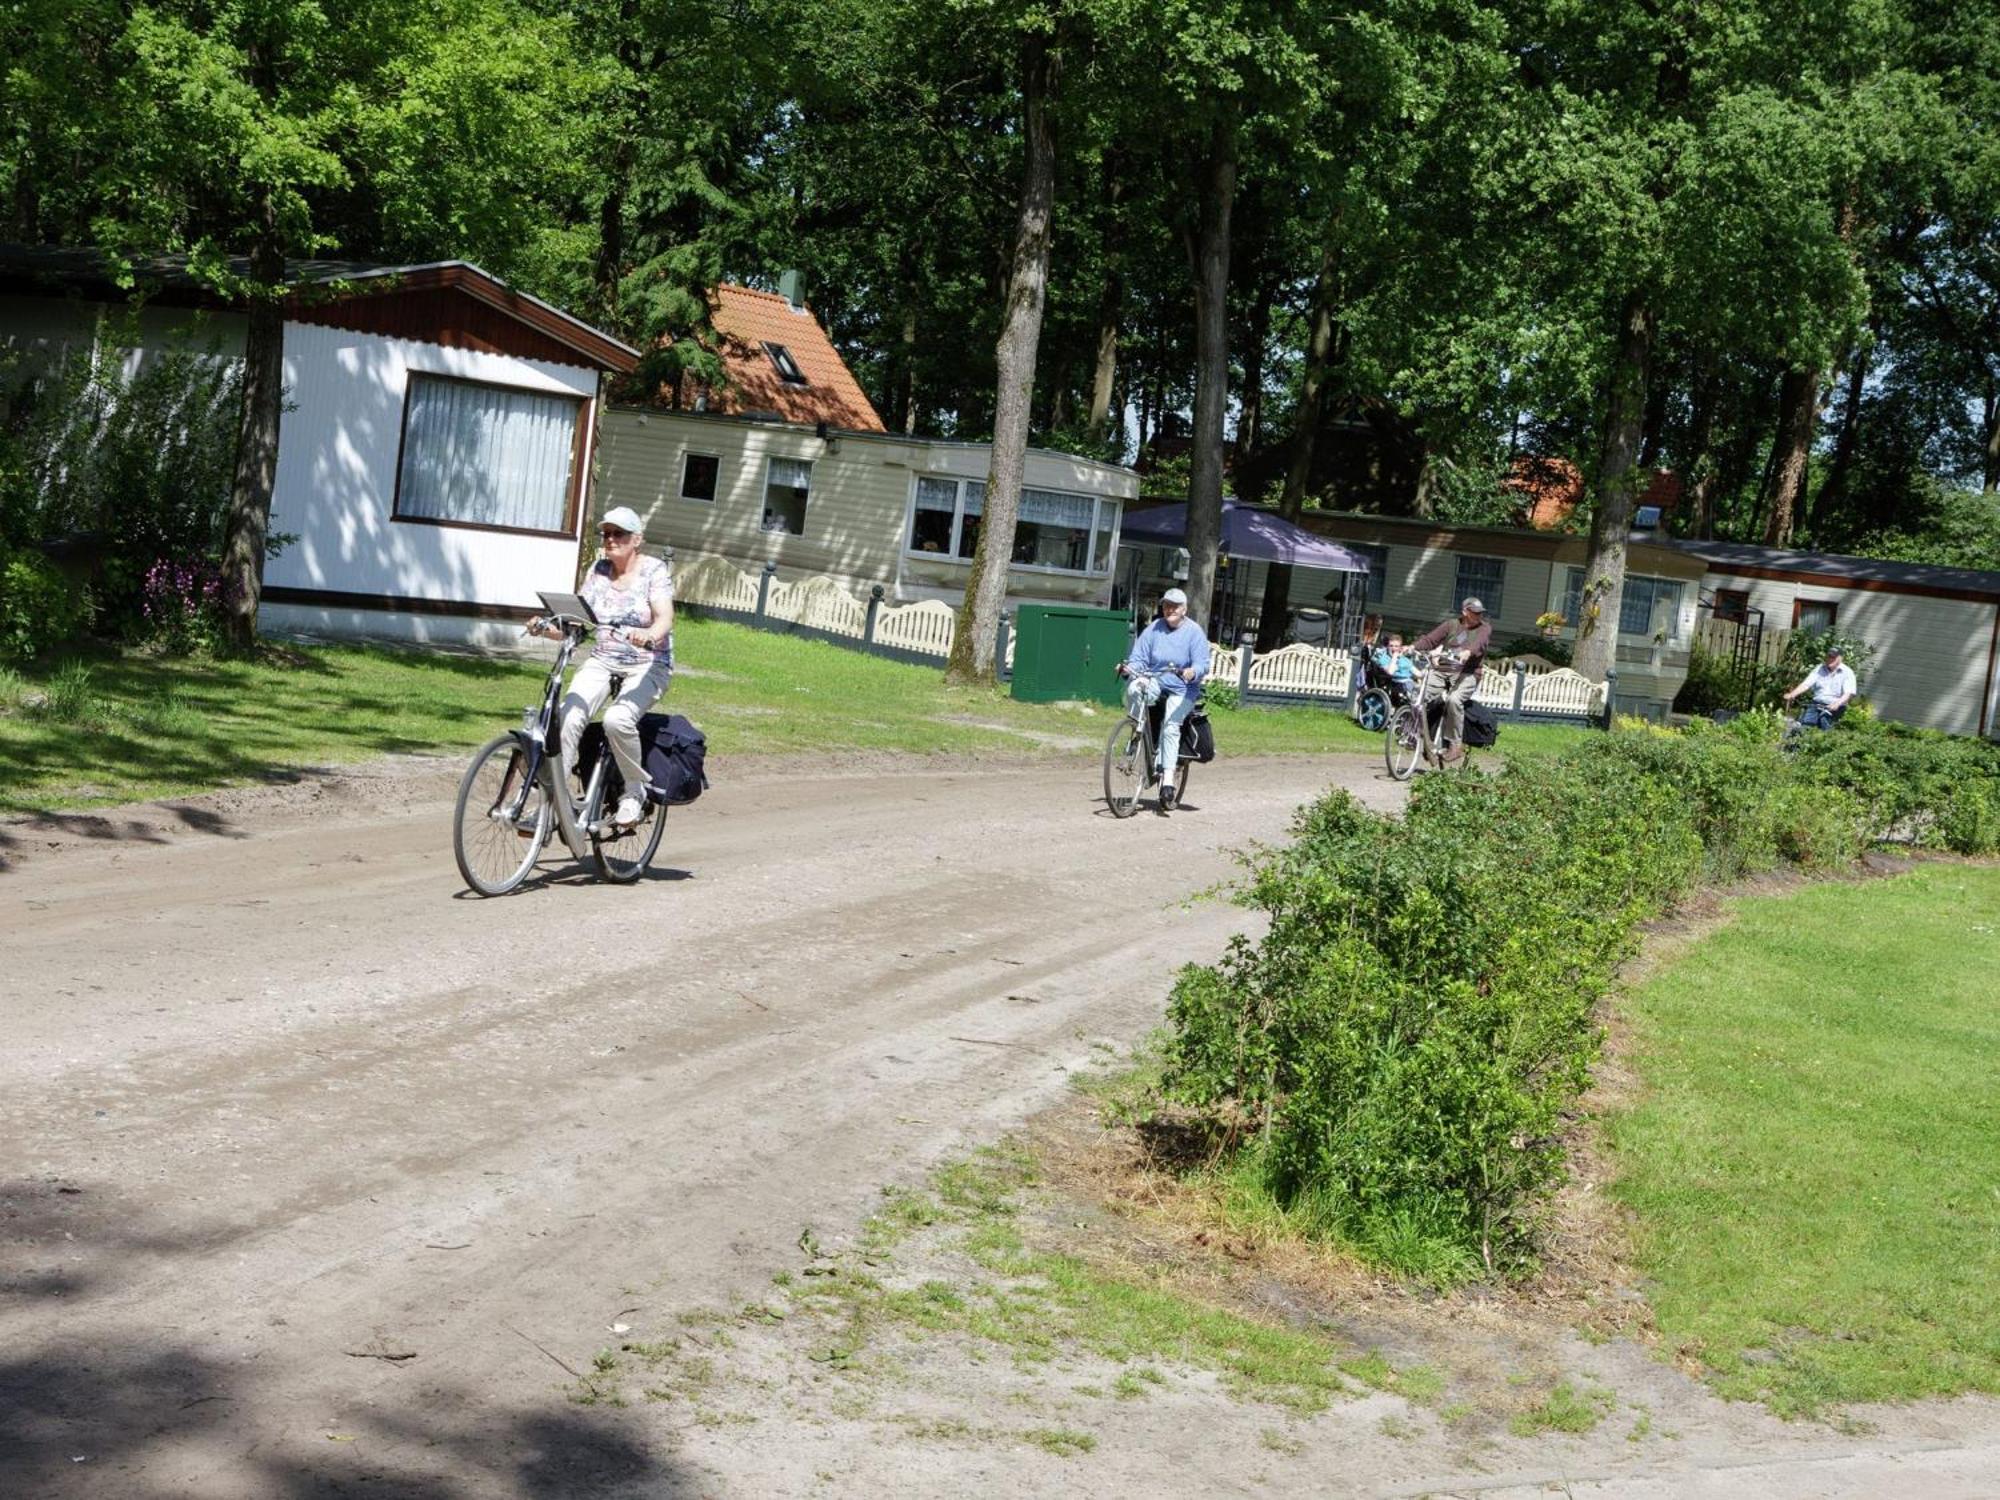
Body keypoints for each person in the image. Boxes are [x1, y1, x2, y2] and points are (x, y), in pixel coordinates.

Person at [527, 506, 674, 828]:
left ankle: (634, 793)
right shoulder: (599, 569)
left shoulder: (654, 570)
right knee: (568, 716)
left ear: (637, 539)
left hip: (647, 664)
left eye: (618, 533)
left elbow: (664, 618)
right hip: (603, 659)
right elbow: (577, 624)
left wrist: (649, 635)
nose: (610, 539)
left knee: (617, 719)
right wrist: (546, 627)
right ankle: (555, 803)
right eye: (606, 533)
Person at [1120, 587, 1210, 812]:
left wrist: (1192, 671)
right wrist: (1128, 668)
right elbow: (1139, 658)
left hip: (1183, 688)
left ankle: (1168, 780)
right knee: (1133, 689)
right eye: (1166, 606)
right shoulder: (1154, 629)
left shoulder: (1194, 632)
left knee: (1171, 727)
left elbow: (1203, 664)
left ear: (1184, 609)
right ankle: (1138, 731)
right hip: (1157, 681)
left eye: (1174, 606)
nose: (1169, 610)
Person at [1412, 598, 1492, 763]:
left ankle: (1455, 745)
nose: (1479, 615)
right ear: (1465, 612)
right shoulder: (1451, 625)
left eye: (1480, 613)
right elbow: (1430, 640)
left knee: (1454, 700)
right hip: (1445, 670)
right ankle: (1415, 734)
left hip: (1468, 673)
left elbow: (1479, 644)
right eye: (1475, 612)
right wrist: (1412, 647)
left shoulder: (1485, 628)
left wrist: (1468, 652)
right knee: (1418, 698)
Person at [1783, 644, 1857, 731]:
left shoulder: (1847, 673)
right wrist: (1792, 694)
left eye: (1833, 657)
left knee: (1824, 723)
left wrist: (1837, 704)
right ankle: (1800, 742)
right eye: (1829, 656)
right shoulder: (1819, 668)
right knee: (1805, 725)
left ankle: (1825, 742)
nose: (1830, 659)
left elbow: (1848, 693)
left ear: (1840, 658)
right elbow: (1806, 684)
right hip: (1816, 704)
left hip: (1835, 706)